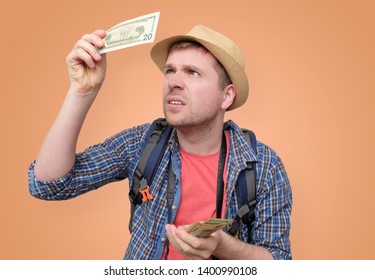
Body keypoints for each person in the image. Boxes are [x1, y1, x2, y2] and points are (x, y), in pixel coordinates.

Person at [28, 25, 293, 260]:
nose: (174, 82)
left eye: (193, 73)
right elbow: (49, 186)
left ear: (227, 96)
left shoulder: (263, 165)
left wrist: (224, 247)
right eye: (170, 71)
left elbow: (279, 262)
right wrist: (81, 91)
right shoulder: (144, 143)